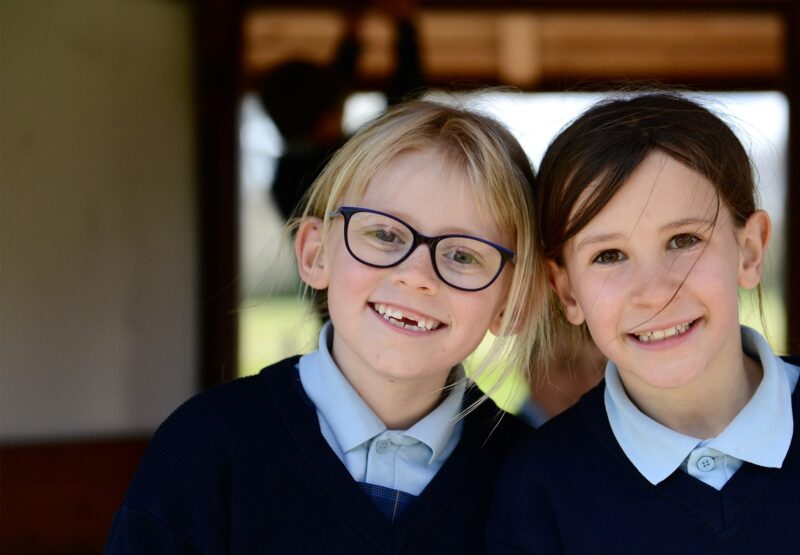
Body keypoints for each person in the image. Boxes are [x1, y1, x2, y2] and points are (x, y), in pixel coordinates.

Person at [105, 98, 549, 553]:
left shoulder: (537, 481)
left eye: (463, 255)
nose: (416, 276)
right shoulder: (205, 449)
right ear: (316, 255)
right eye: (385, 234)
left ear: (512, 302)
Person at [486, 93, 800, 553]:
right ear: (568, 290)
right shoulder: (539, 488)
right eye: (608, 256)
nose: (654, 291)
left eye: (684, 240)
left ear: (749, 250)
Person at [257, 0, 423, 221]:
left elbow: (332, 89)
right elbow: (403, 112)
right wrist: (406, 28)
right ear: (327, 119)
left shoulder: (287, 176)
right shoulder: (336, 165)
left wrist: (351, 35)